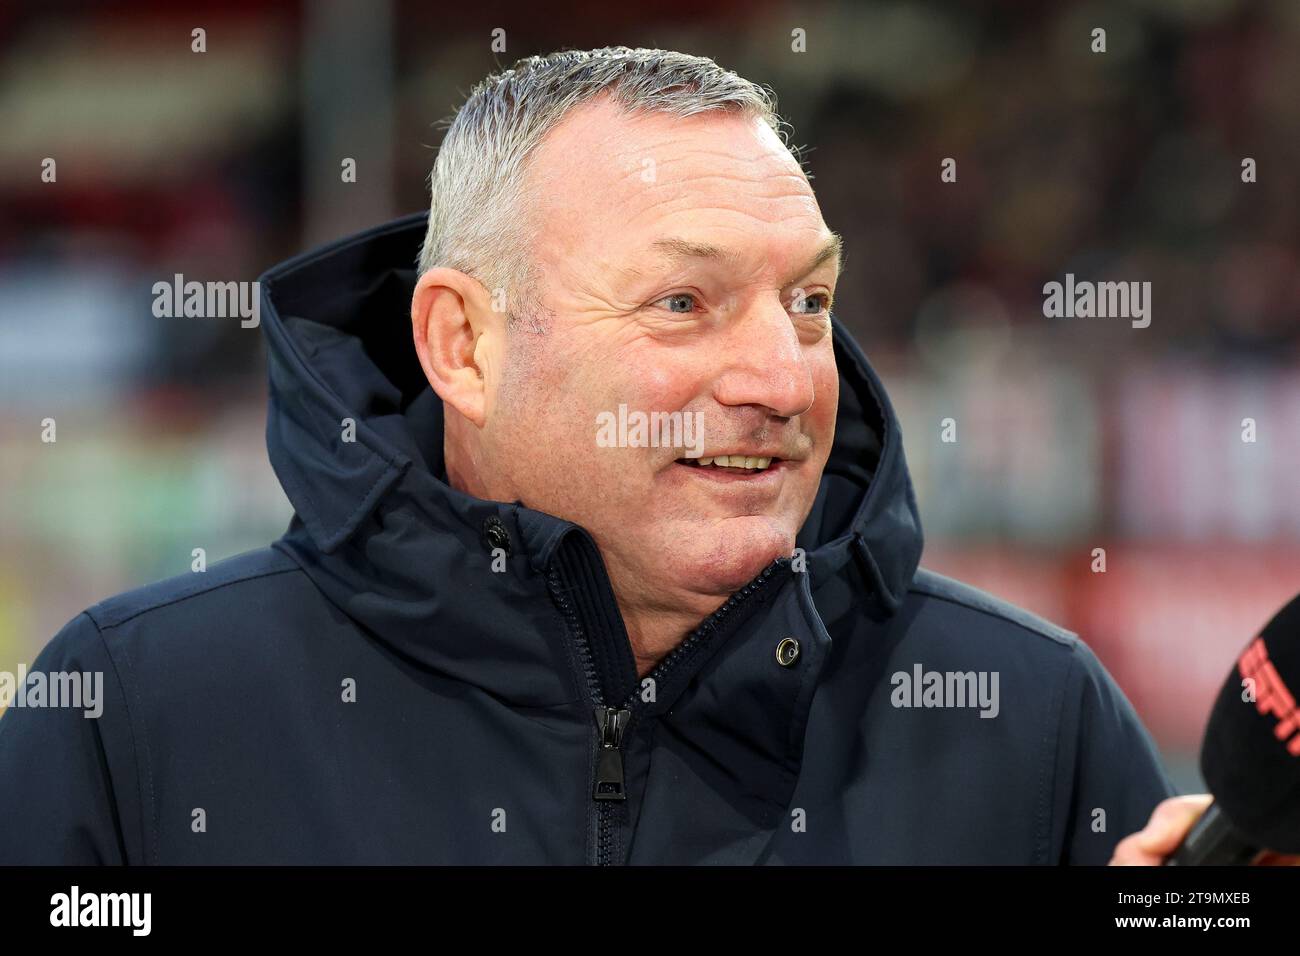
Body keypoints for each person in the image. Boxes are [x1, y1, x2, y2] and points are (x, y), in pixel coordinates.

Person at [1, 46, 1187, 864]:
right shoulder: (135, 717)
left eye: (809, 300)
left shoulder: (1032, 719)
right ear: (461, 346)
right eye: (682, 301)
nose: (781, 378)